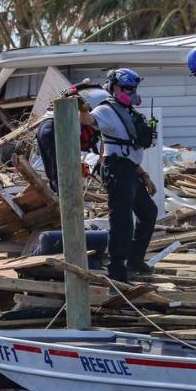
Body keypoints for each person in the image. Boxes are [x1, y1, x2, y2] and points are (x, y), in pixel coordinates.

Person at [79, 68, 158, 283]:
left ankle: (135, 260)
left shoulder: (129, 110)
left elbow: (131, 149)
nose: (131, 92)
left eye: (133, 88)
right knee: (122, 222)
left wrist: (144, 176)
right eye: (126, 88)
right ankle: (117, 270)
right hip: (117, 170)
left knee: (149, 213)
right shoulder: (106, 110)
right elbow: (87, 121)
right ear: (113, 88)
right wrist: (79, 103)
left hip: (131, 170)